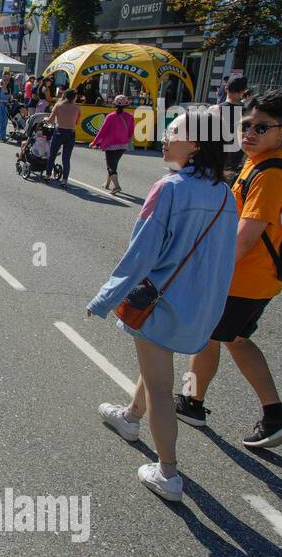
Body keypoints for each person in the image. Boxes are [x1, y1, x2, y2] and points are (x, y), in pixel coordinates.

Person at [92, 111, 237, 503]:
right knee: (155, 369)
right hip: (200, 305)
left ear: (196, 144)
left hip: (159, 303)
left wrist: (105, 298)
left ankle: (168, 473)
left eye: (174, 131)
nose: (165, 137)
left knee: (159, 384)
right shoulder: (224, 193)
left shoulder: (169, 188)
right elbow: (226, 257)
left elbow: (140, 253)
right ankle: (129, 417)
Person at [177, 91, 282, 449]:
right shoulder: (259, 162)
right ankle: (196, 402)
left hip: (244, 278)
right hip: (248, 278)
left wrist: (206, 270)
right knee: (227, 338)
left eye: (261, 127)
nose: (249, 133)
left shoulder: (270, 174)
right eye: (246, 125)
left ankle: (269, 411)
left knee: (213, 337)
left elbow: (246, 237)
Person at [88, 94, 133, 194]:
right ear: (126, 104)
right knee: (114, 163)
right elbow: (131, 132)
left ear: (114, 104)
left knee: (111, 166)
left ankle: (116, 186)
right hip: (123, 145)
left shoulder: (110, 116)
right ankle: (107, 184)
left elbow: (102, 131)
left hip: (111, 145)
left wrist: (94, 142)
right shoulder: (130, 117)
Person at [43, 88, 82, 184]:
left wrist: (45, 118)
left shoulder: (58, 105)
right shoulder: (77, 108)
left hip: (59, 131)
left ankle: (48, 175)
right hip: (71, 133)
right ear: (74, 97)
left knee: (52, 155)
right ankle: (64, 181)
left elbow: (50, 120)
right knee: (66, 158)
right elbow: (77, 122)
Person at [213, 77, 249, 176]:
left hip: (215, 159)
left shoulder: (215, 109)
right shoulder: (248, 112)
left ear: (226, 89)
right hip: (236, 161)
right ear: (243, 91)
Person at [0, 75, 14, 142]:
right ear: (2, 81)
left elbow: (10, 98)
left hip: (6, 107)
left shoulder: (9, 89)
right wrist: (4, 101)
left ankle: (3, 136)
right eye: (5, 80)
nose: (6, 81)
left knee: (5, 122)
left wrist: (11, 101)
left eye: (7, 80)